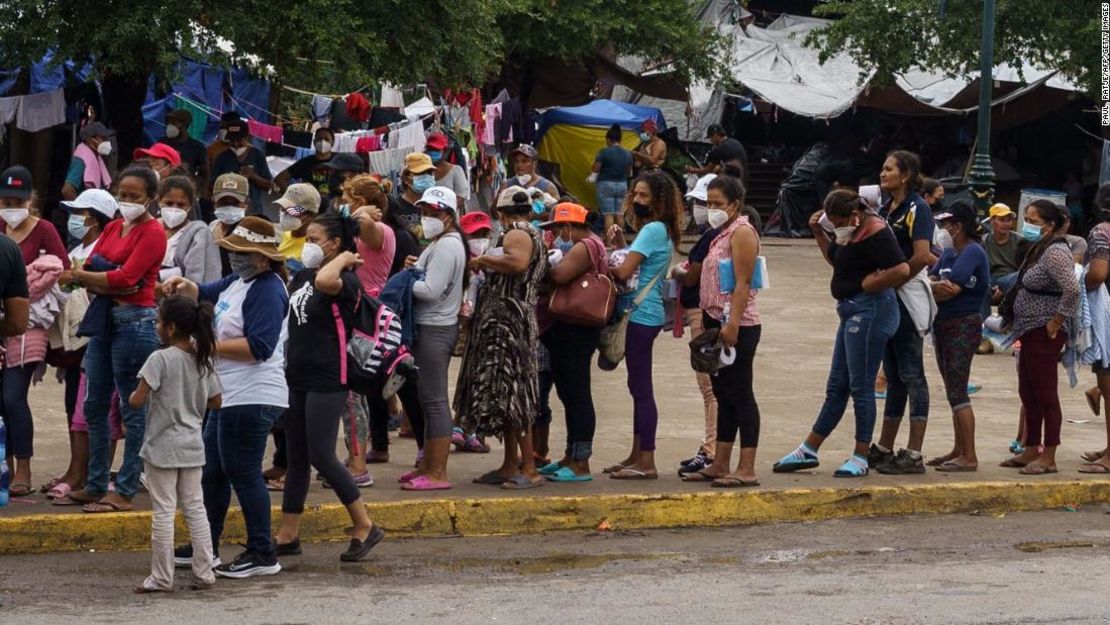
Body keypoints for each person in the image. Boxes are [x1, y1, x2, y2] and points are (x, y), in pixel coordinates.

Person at [163, 216, 289, 578]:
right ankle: (207, 544)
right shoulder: (240, 281)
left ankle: (262, 552)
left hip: (252, 394)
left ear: (264, 259)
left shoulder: (266, 289)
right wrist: (186, 286)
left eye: (243, 253)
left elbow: (260, 346)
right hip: (228, 394)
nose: (235, 258)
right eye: (231, 250)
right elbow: (205, 291)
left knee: (243, 472)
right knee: (213, 472)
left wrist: (205, 346)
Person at [274, 211, 385, 562]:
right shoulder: (304, 275)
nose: (307, 245)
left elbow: (325, 283)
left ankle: (365, 524)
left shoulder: (346, 281)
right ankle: (288, 532)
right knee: (297, 457)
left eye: (314, 239)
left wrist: (340, 260)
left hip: (328, 376)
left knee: (322, 454)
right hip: (297, 375)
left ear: (335, 245)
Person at [774, 189, 907, 477]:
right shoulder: (847, 231)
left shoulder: (877, 233)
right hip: (850, 310)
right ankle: (810, 448)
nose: (836, 228)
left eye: (838, 222)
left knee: (861, 386)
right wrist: (819, 232)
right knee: (837, 386)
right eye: (831, 223)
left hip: (871, 312)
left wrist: (871, 284)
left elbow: (901, 269)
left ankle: (861, 455)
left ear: (855, 216)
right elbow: (838, 260)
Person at [66, 166, 167, 513]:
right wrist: (99, 276)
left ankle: (124, 489)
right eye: (122, 195)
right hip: (107, 321)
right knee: (94, 403)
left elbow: (129, 277)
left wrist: (92, 275)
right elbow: (99, 267)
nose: (127, 202)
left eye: (134, 197)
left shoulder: (153, 232)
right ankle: (95, 484)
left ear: (151, 199)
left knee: (132, 407)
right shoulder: (112, 226)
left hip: (135, 323)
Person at [455, 186, 548, 490]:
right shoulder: (531, 231)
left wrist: (483, 261)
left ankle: (529, 468)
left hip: (508, 323)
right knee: (505, 395)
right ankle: (510, 464)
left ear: (500, 212)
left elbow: (518, 263)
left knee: (514, 394)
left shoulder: (516, 232)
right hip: (506, 321)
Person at [129, 296, 222, 594]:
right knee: (196, 509)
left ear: (170, 328)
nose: (155, 326)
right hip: (192, 445)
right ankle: (205, 573)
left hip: (161, 447)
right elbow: (217, 401)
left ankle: (161, 577)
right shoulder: (202, 358)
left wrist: (132, 396)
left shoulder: (159, 359)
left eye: (158, 321)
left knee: (164, 511)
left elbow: (137, 399)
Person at [680, 174, 762, 487]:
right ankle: (721, 463)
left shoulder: (742, 233)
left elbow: (743, 283)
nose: (711, 208)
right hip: (716, 320)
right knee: (723, 393)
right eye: (708, 203)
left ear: (735, 205)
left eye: (718, 204)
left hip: (738, 322)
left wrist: (732, 325)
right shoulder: (719, 232)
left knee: (741, 393)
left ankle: (747, 467)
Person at [604, 171, 681, 480]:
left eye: (644, 196)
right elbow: (640, 266)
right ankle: (636, 455)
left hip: (638, 315)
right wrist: (623, 244)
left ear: (659, 200)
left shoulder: (652, 229)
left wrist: (606, 257)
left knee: (642, 389)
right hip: (645, 316)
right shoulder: (661, 230)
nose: (636, 200)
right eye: (635, 194)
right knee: (637, 387)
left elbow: (623, 273)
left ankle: (646, 461)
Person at [395, 186, 467, 490]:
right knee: (427, 399)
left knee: (435, 400)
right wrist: (413, 271)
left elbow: (430, 290)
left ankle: (438, 472)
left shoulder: (448, 246)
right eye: (424, 212)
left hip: (435, 328)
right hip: (430, 327)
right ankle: (427, 466)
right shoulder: (440, 243)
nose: (427, 218)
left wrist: (402, 282)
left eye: (434, 213)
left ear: (449, 217)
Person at [47, 189, 117, 501]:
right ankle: (78, 471)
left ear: (97, 218)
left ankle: (85, 473)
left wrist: (75, 278)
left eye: (82, 213)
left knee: (95, 409)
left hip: (96, 335)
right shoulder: (81, 246)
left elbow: (92, 281)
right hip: (75, 340)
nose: (77, 218)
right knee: (74, 404)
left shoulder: (106, 248)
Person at [1000, 200, 1079, 475]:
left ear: (1050, 224)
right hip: (1029, 330)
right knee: (1028, 393)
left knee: (1046, 395)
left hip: (1043, 332)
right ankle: (1031, 448)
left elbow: (1072, 289)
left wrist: (1056, 322)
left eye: (1033, 220)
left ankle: (1050, 455)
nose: (1027, 225)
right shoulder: (1040, 248)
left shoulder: (1056, 252)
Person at [535, 203, 609, 481]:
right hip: (571, 328)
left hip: (576, 329)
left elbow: (559, 276)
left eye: (556, 229)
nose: (554, 234)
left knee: (577, 394)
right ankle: (571, 455)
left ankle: (581, 462)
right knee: (569, 393)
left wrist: (540, 261)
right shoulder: (591, 244)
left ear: (568, 226)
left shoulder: (585, 245)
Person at [873, 150, 934, 474]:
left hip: (906, 298)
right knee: (893, 376)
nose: (883, 174)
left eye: (889, 169)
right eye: (882, 169)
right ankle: (884, 447)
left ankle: (913, 453)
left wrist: (896, 279)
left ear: (906, 174)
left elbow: (922, 255)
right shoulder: (886, 208)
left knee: (912, 375)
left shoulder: (917, 208)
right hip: (889, 297)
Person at [927, 202, 990, 472]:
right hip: (944, 324)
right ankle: (958, 448)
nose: (943, 229)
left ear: (958, 226)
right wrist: (935, 287)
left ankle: (970, 455)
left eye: (947, 225)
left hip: (962, 324)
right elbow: (931, 280)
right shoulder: (951, 253)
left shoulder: (972, 252)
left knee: (958, 390)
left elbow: (951, 289)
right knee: (953, 389)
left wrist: (934, 288)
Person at [0, 166, 45, 496]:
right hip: (14, 330)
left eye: (17, 199)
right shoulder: (7, 247)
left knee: (12, 399)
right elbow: (15, 318)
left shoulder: (42, 231)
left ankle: (19, 469)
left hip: (27, 337)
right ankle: (9, 469)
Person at [1080, 183, 1110, 474]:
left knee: (1108, 384)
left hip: (1107, 313)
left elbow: (1098, 274)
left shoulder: (1102, 231)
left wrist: (1080, 281)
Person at [157, 176, 221, 286]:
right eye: (168, 203)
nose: (174, 208)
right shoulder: (151, 228)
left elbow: (194, 272)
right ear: (159, 201)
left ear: (190, 206)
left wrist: (159, 276)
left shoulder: (198, 232)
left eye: (181, 205)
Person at [211, 121, 272, 216]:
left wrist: (253, 176)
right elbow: (213, 186)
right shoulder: (222, 158)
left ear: (247, 138)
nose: (235, 144)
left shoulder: (257, 155)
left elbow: (268, 186)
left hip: (253, 212)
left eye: (239, 140)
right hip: (227, 210)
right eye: (232, 140)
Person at [274, 127, 337, 204]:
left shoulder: (340, 161)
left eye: (326, 139)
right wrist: (294, 198)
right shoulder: (305, 162)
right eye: (319, 139)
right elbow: (280, 178)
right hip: (310, 208)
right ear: (314, 142)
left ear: (332, 143)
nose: (323, 142)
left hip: (334, 209)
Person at [591, 124, 633, 232]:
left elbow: (596, 169)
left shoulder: (603, 152)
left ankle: (609, 243)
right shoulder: (628, 154)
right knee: (619, 214)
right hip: (622, 185)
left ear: (608, 139)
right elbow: (629, 172)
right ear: (620, 139)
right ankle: (620, 242)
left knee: (608, 215)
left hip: (606, 184)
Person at [275, 183, 322, 274]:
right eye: (282, 208)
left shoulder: (312, 249)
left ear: (309, 216)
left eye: (290, 210)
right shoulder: (287, 233)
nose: (283, 212)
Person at [209, 173, 250, 277]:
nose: (229, 207)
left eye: (235, 203)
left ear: (246, 202)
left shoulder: (249, 232)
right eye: (223, 202)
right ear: (213, 201)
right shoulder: (212, 226)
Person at [161, 108, 209, 194]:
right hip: (164, 188)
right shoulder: (162, 143)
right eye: (168, 123)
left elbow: (204, 172)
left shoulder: (197, 146)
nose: (170, 126)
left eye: (174, 123)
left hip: (187, 190)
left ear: (185, 125)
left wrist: (201, 191)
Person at [62, 121, 114, 201]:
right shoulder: (81, 160)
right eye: (103, 138)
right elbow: (67, 191)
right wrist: (82, 210)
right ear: (90, 139)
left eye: (107, 139)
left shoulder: (97, 157)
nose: (107, 142)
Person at [390, 153, 435, 239]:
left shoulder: (436, 206)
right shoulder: (395, 208)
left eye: (429, 173)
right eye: (421, 173)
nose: (427, 177)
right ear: (406, 179)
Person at [426, 133, 469, 206]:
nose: (433, 152)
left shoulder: (456, 171)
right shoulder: (422, 171)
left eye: (437, 150)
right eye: (430, 149)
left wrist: (444, 211)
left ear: (445, 151)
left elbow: (461, 196)